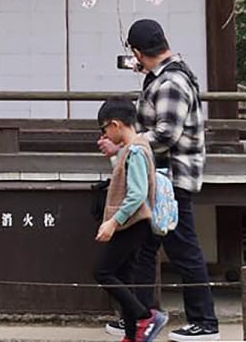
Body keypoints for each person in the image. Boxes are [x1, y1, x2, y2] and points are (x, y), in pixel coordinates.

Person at [99, 19, 219, 342]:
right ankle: (139, 317)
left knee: (183, 249)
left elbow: (166, 134)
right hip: (160, 177)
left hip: (172, 180)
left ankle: (205, 322)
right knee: (144, 250)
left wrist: (126, 143)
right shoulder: (165, 77)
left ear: (138, 51)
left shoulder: (170, 84)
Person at [94, 97, 169, 342]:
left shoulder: (135, 150)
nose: (105, 135)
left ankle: (145, 316)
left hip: (131, 224)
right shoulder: (135, 147)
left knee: (102, 272)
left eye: (104, 129)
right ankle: (131, 335)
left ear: (115, 124)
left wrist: (113, 222)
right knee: (125, 277)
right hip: (134, 224)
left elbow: (137, 193)